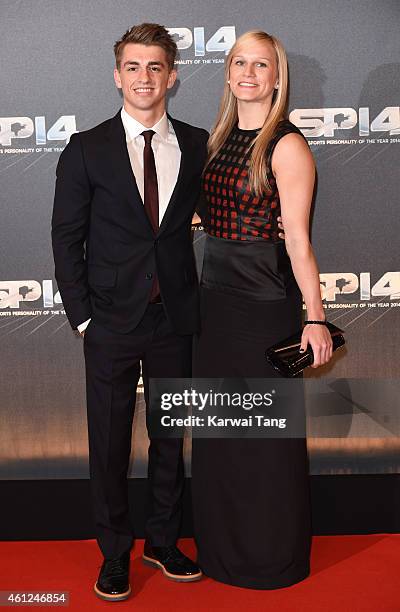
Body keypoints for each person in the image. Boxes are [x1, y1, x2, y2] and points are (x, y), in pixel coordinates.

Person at [51, 23, 208, 601]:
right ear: (118, 75)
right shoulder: (86, 148)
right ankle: (115, 552)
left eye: (156, 67)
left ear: (172, 75)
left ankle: (163, 541)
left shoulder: (195, 143)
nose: (145, 78)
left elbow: (207, 218)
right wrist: (85, 317)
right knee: (110, 441)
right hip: (110, 320)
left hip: (174, 317)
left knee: (170, 436)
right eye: (134, 68)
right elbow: (66, 238)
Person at [191, 30, 333, 589]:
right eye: (239, 62)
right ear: (227, 73)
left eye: (262, 64)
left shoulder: (287, 145)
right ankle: (223, 553)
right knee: (223, 436)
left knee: (266, 441)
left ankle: (271, 559)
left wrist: (315, 317)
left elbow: (297, 240)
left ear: (278, 77)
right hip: (214, 308)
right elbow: (212, 215)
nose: (249, 73)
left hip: (264, 307)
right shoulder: (218, 139)